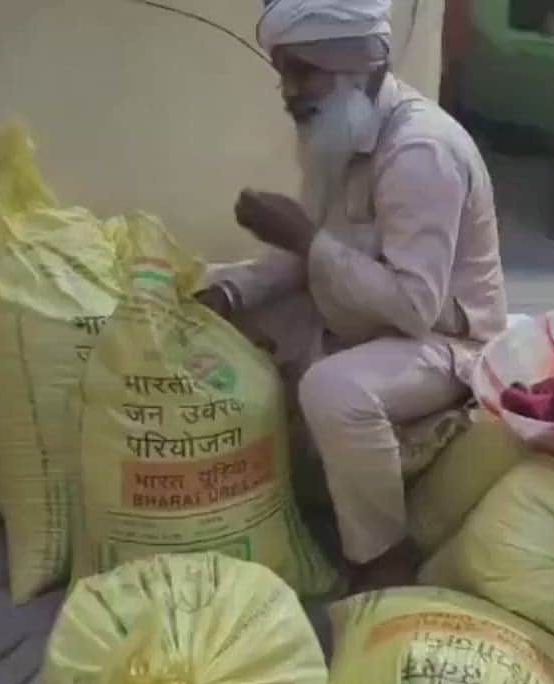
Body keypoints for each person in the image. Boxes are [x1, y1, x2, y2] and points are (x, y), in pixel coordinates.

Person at [196, 0, 507, 589]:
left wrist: (307, 240)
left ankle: (380, 557)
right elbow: (303, 255)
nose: (289, 90)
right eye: (284, 70)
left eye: (304, 71)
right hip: (361, 312)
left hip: (449, 342)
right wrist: (226, 295)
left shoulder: (420, 151)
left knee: (335, 390)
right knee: (220, 317)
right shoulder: (338, 128)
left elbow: (414, 307)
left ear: (359, 65)